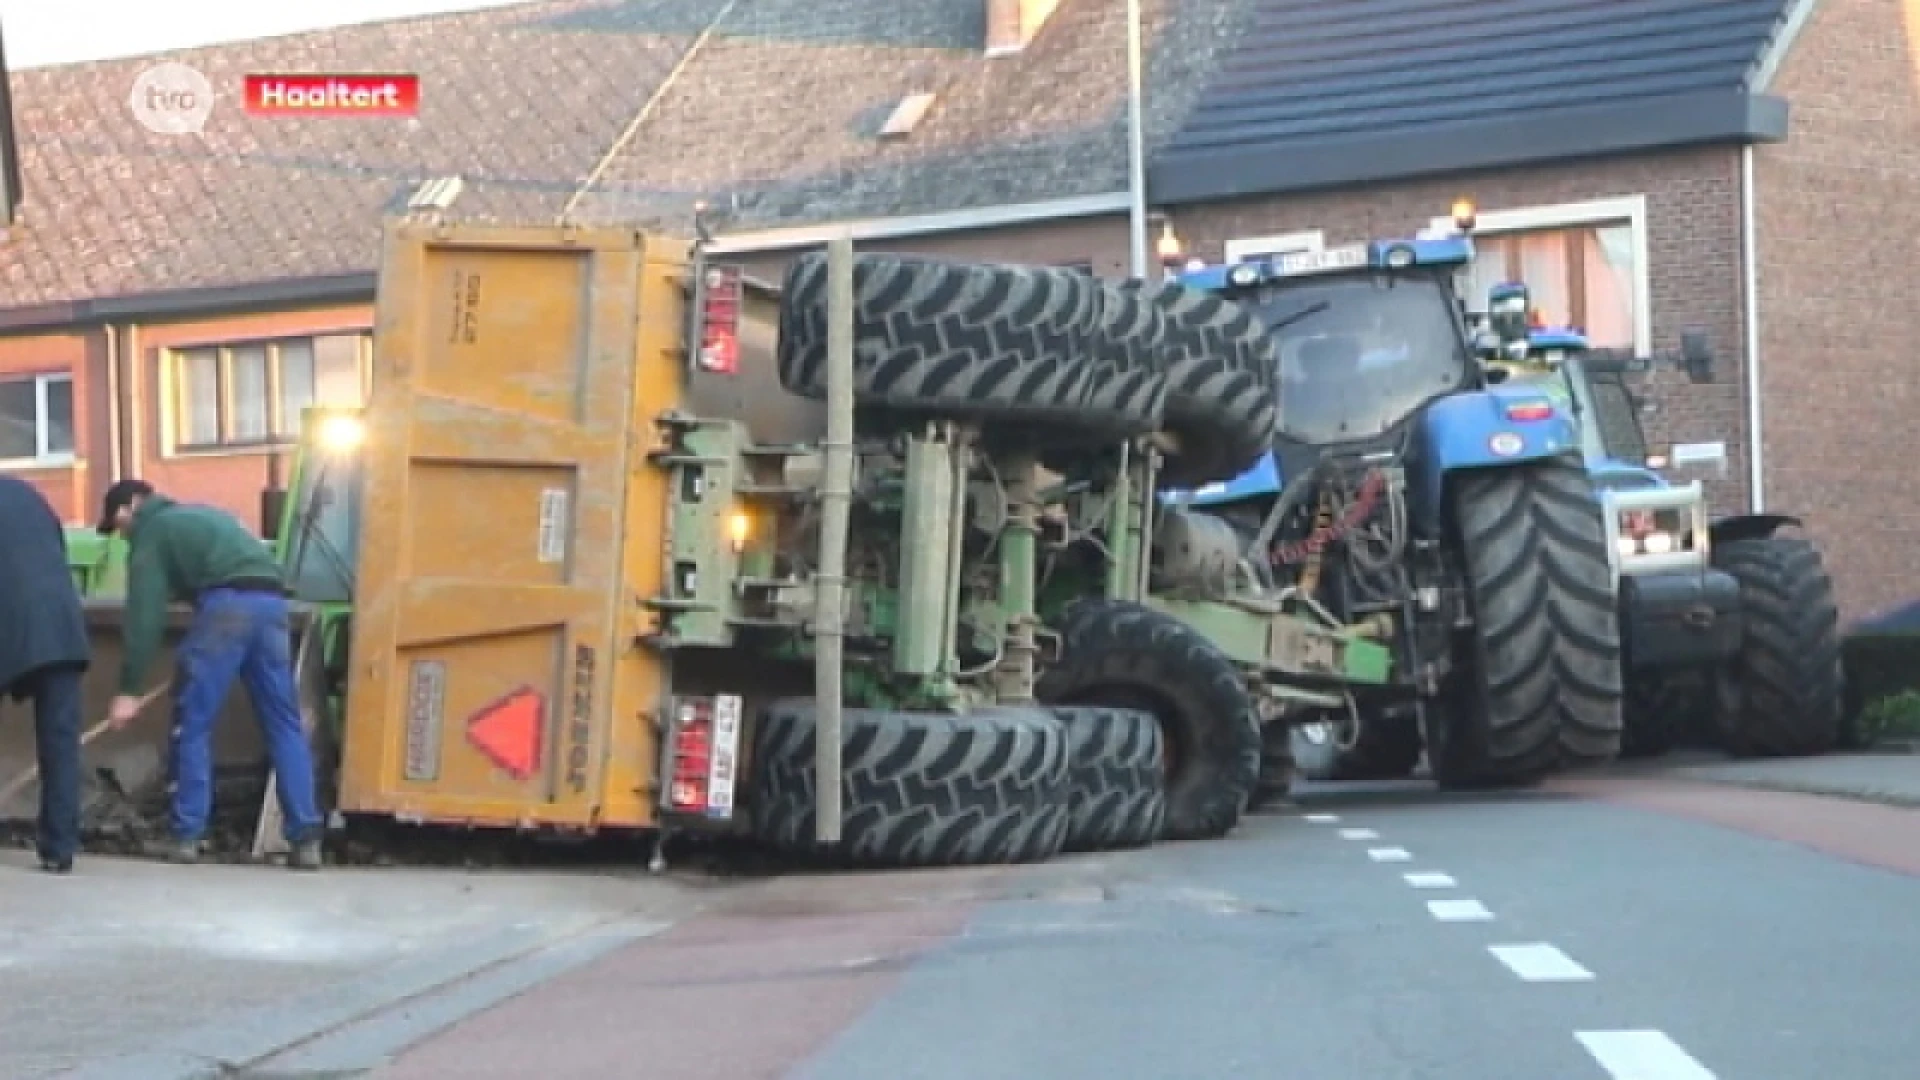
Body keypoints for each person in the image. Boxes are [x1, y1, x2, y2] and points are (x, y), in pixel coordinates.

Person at [97, 479, 324, 870]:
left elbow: (143, 616)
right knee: (285, 726)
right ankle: (306, 840)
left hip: (225, 609)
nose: (122, 534)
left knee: (193, 724)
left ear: (130, 506)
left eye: (118, 525)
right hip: (272, 609)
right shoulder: (204, 517)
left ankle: (187, 836)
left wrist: (129, 690)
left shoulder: (153, 531)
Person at [0, 476, 91, 873]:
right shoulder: (28, 495)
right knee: (60, 744)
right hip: (61, 627)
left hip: (9, 624)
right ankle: (60, 846)